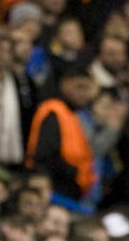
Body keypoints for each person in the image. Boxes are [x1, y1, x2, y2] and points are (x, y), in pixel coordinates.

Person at [26, 62, 96, 201]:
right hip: (55, 191)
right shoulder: (53, 111)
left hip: (70, 191)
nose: (83, 93)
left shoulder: (72, 114)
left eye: (87, 88)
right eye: (79, 86)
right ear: (64, 84)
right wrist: (74, 173)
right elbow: (46, 155)